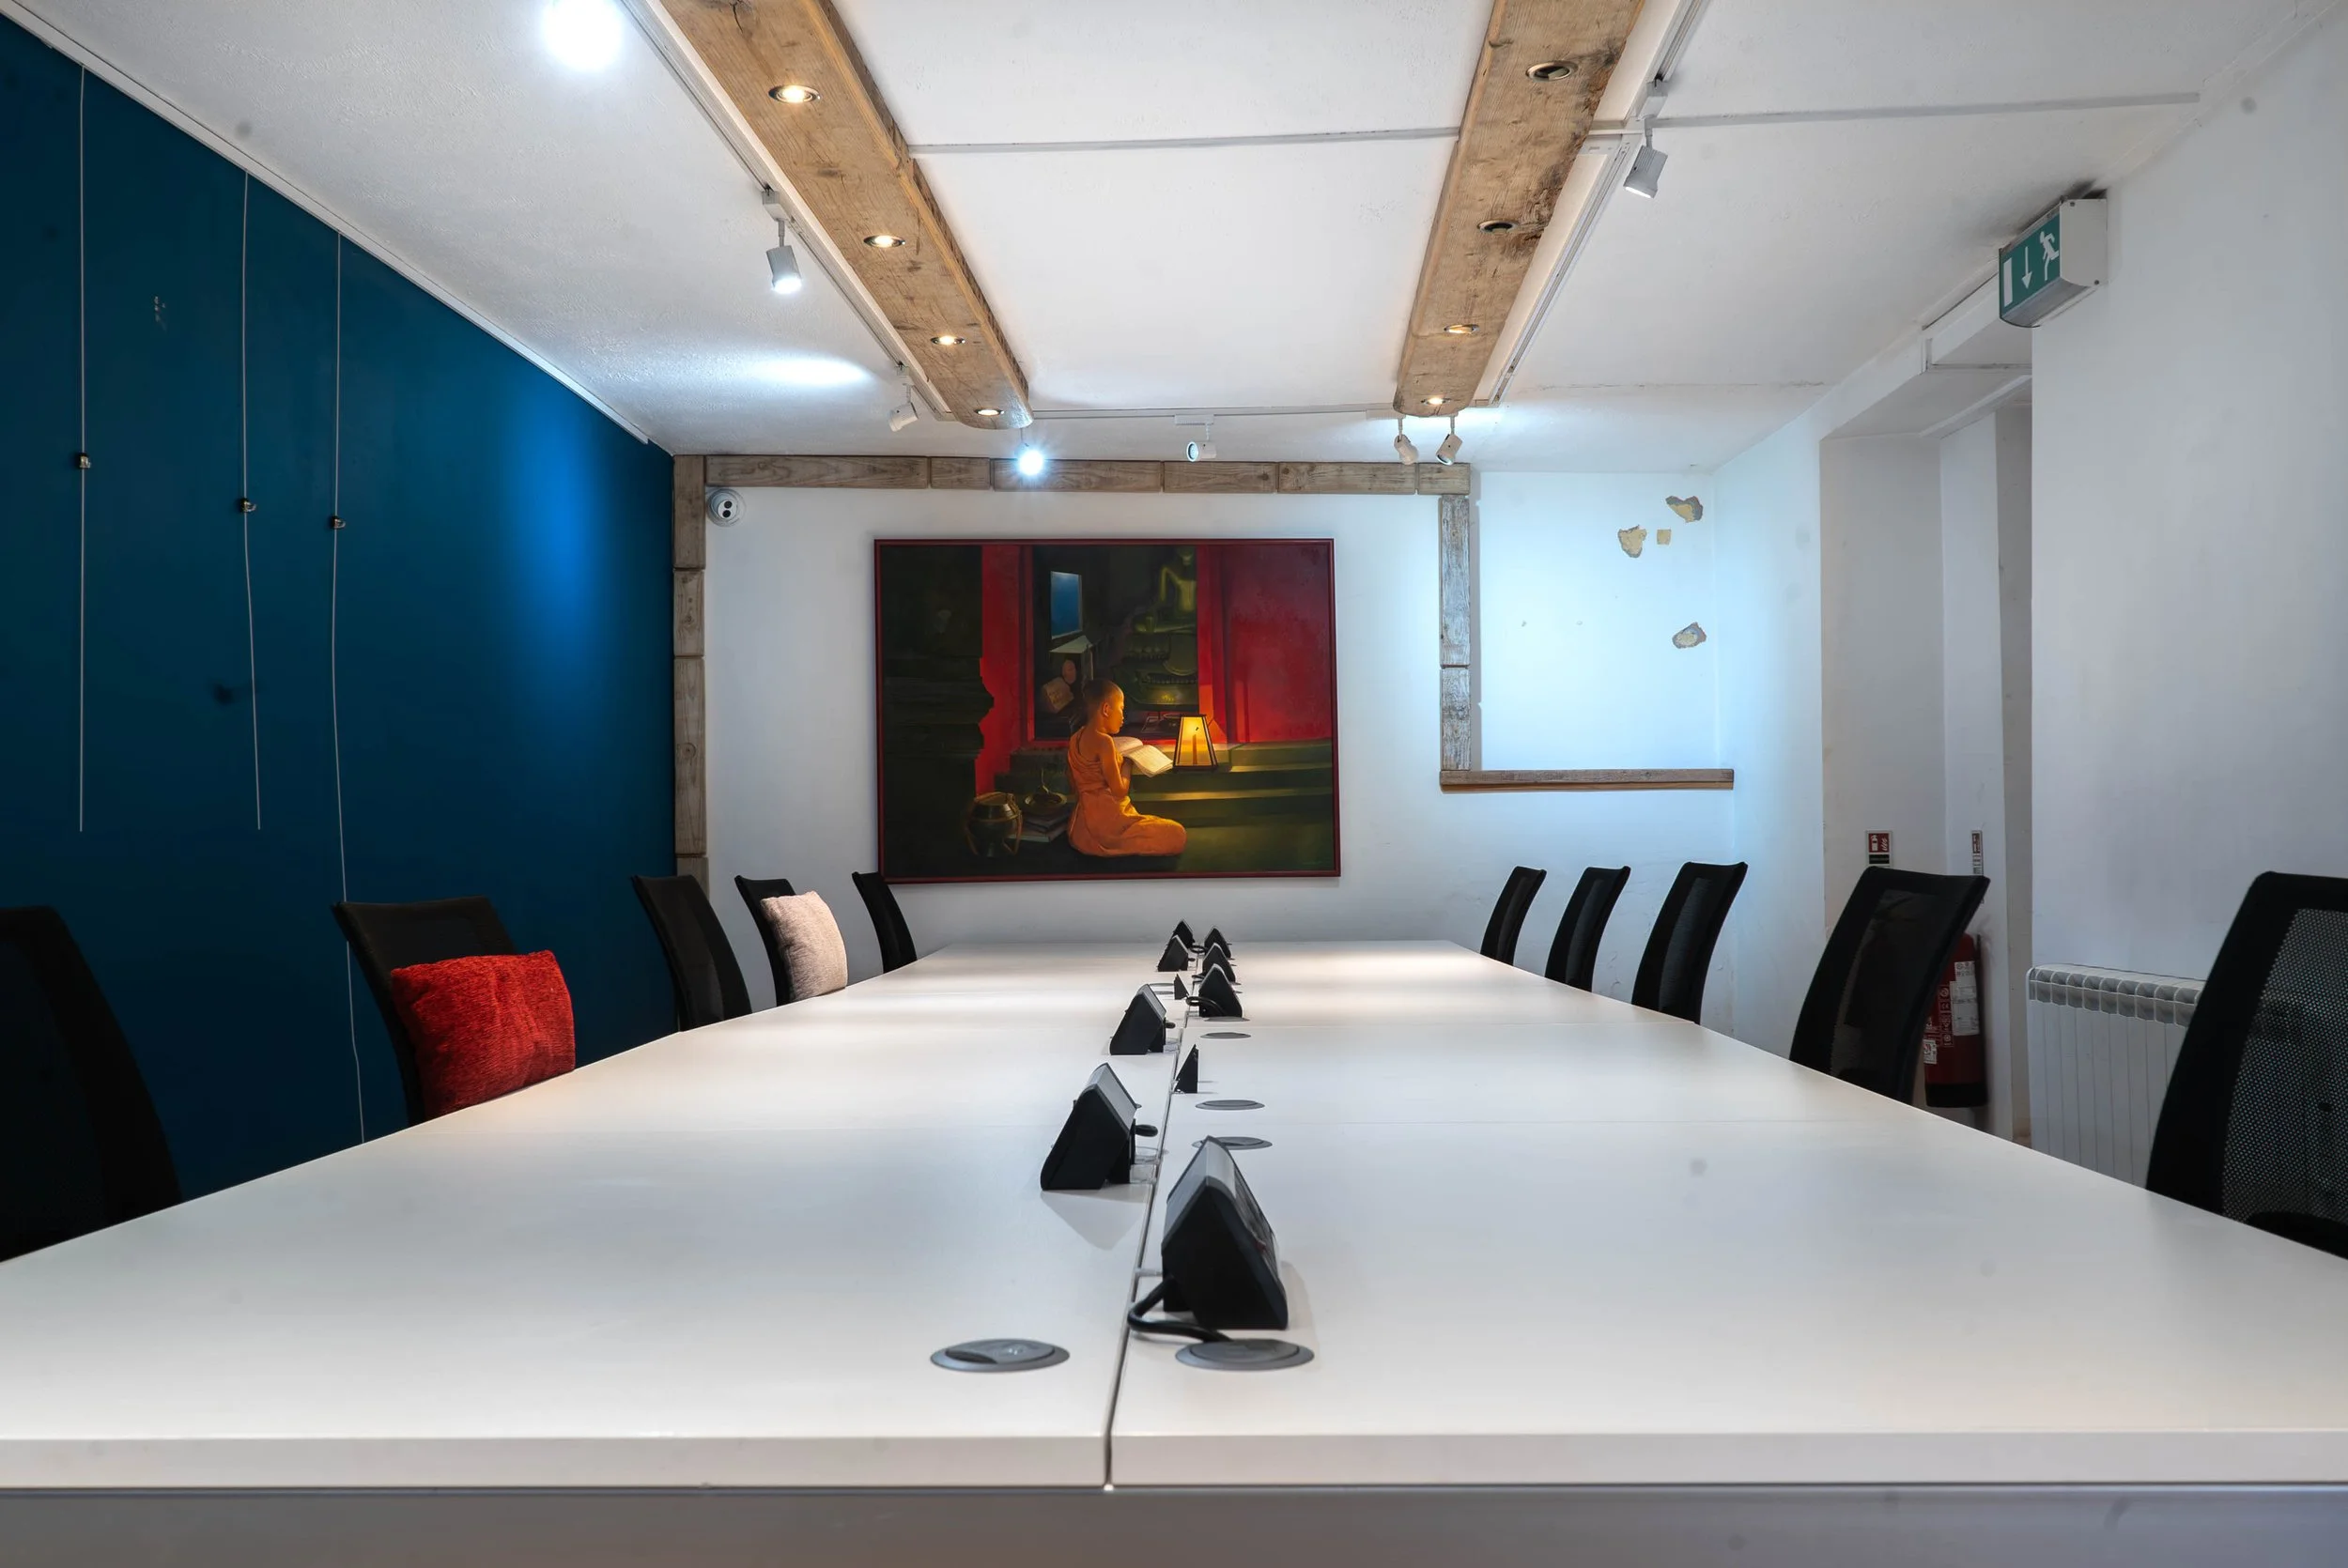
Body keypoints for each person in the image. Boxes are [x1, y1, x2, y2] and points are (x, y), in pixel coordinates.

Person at [1065, 679, 1187, 858]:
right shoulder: (1104, 742)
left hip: (1081, 826)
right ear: (1106, 709)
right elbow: (1120, 792)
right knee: (1177, 833)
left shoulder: (1075, 737)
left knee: (1155, 826)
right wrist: (1128, 762)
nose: (1123, 716)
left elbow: (1073, 782)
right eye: (1121, 708)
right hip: (1109, 826)